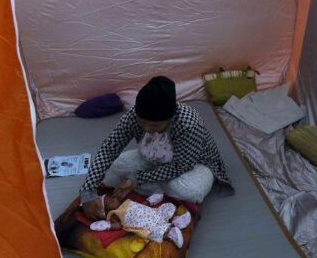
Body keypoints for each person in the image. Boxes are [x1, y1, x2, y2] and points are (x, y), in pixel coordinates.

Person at [80, 76, 233, 220]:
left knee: (190, 191)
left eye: (155, 126)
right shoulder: (133, 116)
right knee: (119, 164)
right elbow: (110, 148)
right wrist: (87, 191)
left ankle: (158, 188)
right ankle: (164, 190)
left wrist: (137, 178)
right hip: (155, 158)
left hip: (194, 164)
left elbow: (182, 166)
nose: (147, 129)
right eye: (142, 122)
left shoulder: (188, 124)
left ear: (170, 118)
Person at [89, 179, 192, 248]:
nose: (114, 199)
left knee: (168, 208)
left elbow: (140, 206)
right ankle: (171, 234)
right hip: (144, 224)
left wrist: (149, 201)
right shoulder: (114, 214)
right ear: (106, 211)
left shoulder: (126, 202)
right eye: (110, 202)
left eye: (112, 198)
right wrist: (108, 225)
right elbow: (118, 225)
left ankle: (177, 221)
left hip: (153, 213)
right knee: (156, 231)